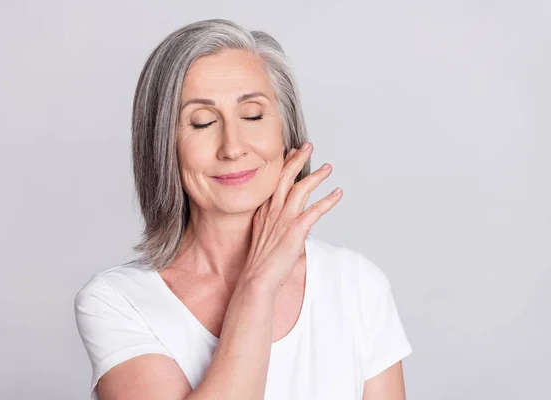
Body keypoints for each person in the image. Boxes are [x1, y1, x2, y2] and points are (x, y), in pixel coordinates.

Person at [74, 18, 413, 400]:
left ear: (286, 132)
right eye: (201, 123)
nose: (232, 147)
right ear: (162, 145)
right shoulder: (118, 301)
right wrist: (258, 282)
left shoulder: (356, 284)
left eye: (252, 116)